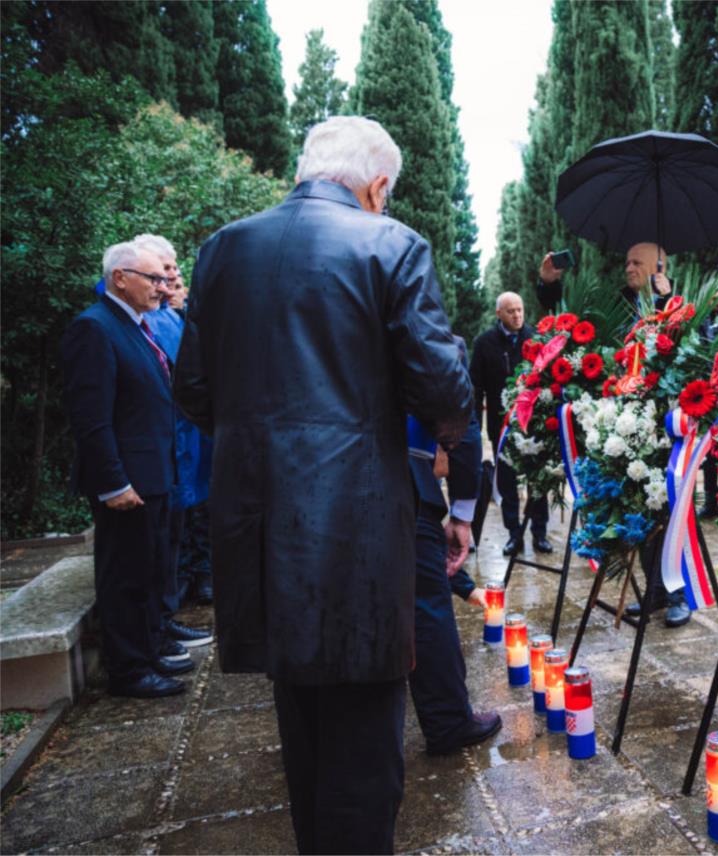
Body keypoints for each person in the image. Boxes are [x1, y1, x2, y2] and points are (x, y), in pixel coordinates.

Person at [173, 116, 472, 855]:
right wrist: (448, 427)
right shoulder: (390, 243)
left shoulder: (221, 250)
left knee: (299, 718)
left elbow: (194, 389)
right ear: (376, 186)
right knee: (366, 744)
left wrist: (259, 443)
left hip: (255, 518)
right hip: (357, 523)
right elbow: (440, 388)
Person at [538, 242, 690, 628]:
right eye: (626, 260)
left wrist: (666, 302)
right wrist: (549, 287)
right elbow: (574, 326)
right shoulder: (620, 304)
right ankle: (655, 591)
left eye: (636, 262)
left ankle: (678, 594)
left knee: (668, 508)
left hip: (666, 425)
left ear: (660, 265)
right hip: (627, 420)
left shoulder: (678, 303)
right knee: (643, 506)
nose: (628, 268)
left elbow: (690, 347)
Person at [63, 240, 190, 698]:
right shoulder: (94, 329)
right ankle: (129, 671)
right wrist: (113, 481)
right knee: (125, 577)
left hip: (153, 475)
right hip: (126, 483)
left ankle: (148, 652)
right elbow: (92, 418)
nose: (163, 287)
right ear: (120, 277)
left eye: (162, 278)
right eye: (153, 279)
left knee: (150, 571)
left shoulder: (135, 326)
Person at [406, 339, 502, 755]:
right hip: (402, 470)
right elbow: (456, 411)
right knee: (425, 602)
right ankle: (448, 720)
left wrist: (464, 586)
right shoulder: (416, 331)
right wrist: (462, 513)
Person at [133, 234, 214, 653]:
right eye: (163, 274)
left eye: (172, 274)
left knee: (176, 531)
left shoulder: (167, 316)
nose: (167, 283)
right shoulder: (133, 320)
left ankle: (164, 622)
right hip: (158, 446)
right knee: (160, 543)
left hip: (182, 441)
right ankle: (158, 627)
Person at [470, 292, 552, 557]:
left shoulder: (535, 338)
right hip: (502, 426)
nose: (517, 315)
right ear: (499, 314)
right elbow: (476, 388)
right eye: (510, 311)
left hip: (535, 425)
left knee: (538, 481)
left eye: (519, 310)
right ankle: (513, 534)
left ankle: (539, 532)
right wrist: (475, 424)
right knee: (506, 483)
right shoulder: (484, 343)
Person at [536, 241, 673, 315]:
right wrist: (548, 283)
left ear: (659, 268)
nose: (628, 269)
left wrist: (666, 299)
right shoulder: (617, 303)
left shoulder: (682, 302)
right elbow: (569, 319)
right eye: (627, 264)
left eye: (636, 263)